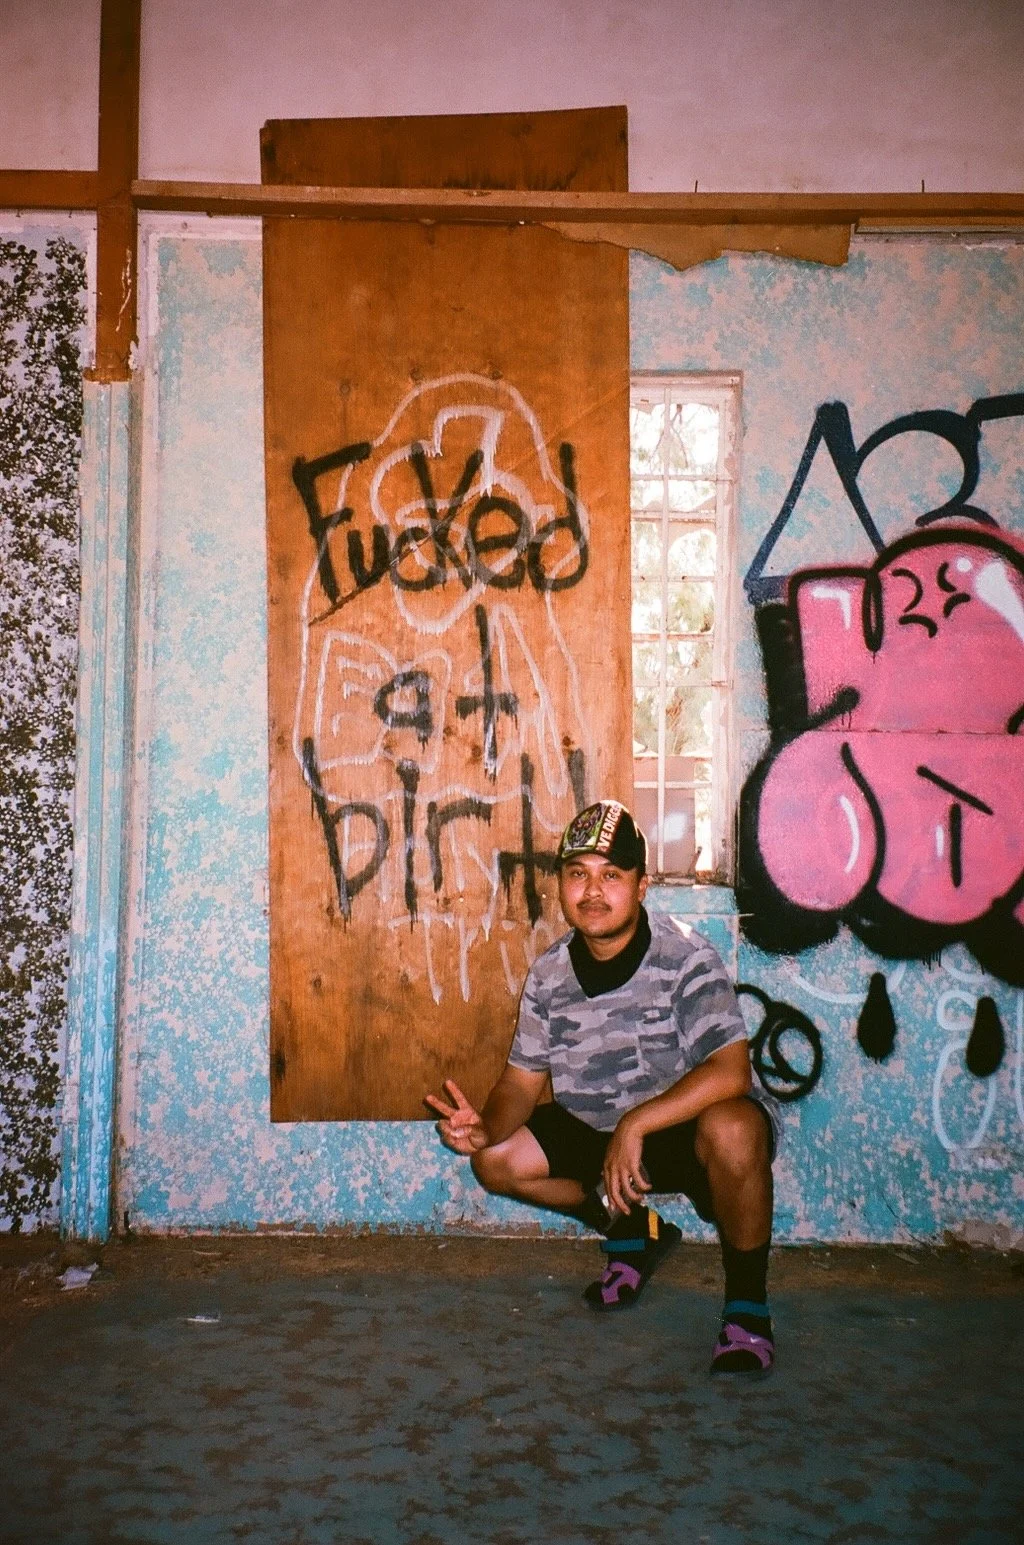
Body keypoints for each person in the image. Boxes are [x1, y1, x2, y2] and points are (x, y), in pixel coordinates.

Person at [427, 798, 781, 1374]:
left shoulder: (686, 955)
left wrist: (636, 1125)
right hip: (592, 1127)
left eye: (611, 875)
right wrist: (486, 1128)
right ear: (562, 885)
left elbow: (730, 1071)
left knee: (736, 1128)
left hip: (681, 1132)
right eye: (578, 874)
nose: (592, 891)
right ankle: (633, 1231)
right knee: (496, 1161)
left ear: (641, 886)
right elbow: (521, 1081)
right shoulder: (549, 974)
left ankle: (747, 1309)